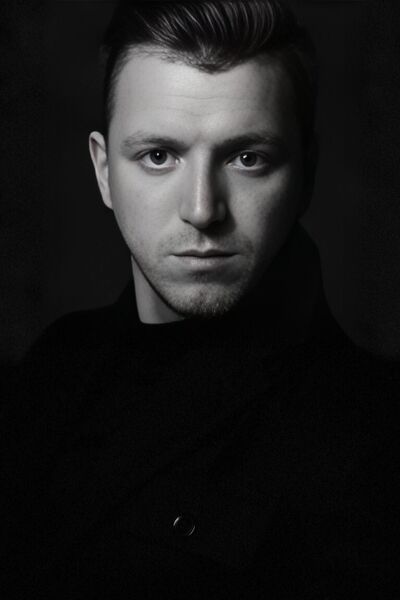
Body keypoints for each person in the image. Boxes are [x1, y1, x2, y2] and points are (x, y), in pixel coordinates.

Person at [2, 1, 398, 598]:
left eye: (247, 158)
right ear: (104, 172)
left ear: (306, 173)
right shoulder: (52, 368)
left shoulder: (372, 433)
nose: (202, 209)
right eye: (158, 156)